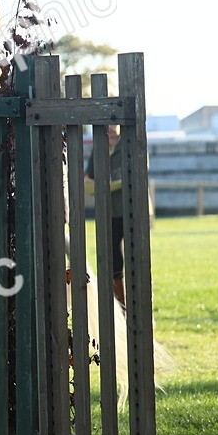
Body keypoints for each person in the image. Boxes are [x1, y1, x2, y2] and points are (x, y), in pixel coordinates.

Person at [86, 125, 126, 306]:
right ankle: (120, 303)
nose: (110, 128)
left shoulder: (129, 143)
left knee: (135, 257)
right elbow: (89, 176)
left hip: (128, 207)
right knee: (113, 256)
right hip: (109, 210)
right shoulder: (98, 147)